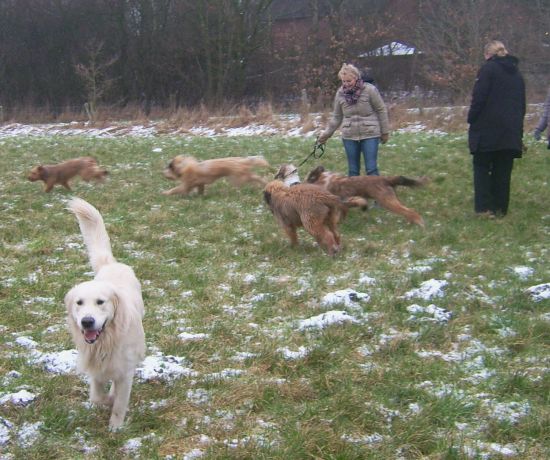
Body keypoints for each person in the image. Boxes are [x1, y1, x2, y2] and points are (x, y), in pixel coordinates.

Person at [467, 40, 526, 218]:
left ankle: (484, 209)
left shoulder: (488, 70)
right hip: (510, 132)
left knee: (482, 168)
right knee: (503, 171)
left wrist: (471, 118)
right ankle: (500, 209)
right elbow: (522, 105)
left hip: (487, 130)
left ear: (488, 55)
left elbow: (479, 98)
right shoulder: (517, 74)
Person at [317, 63, 390, 177]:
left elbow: (381, 110)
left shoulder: (369, 90)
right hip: (349, 136)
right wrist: (325, 135)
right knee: (353, 171)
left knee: (371, 169)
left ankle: (377, 187)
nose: (346, 84)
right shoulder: (340, 94)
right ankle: (354, 189)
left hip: (370, 134)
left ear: (356, 78)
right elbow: (337, 117)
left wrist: (385, 132)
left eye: (349, 81)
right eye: (343, 81)